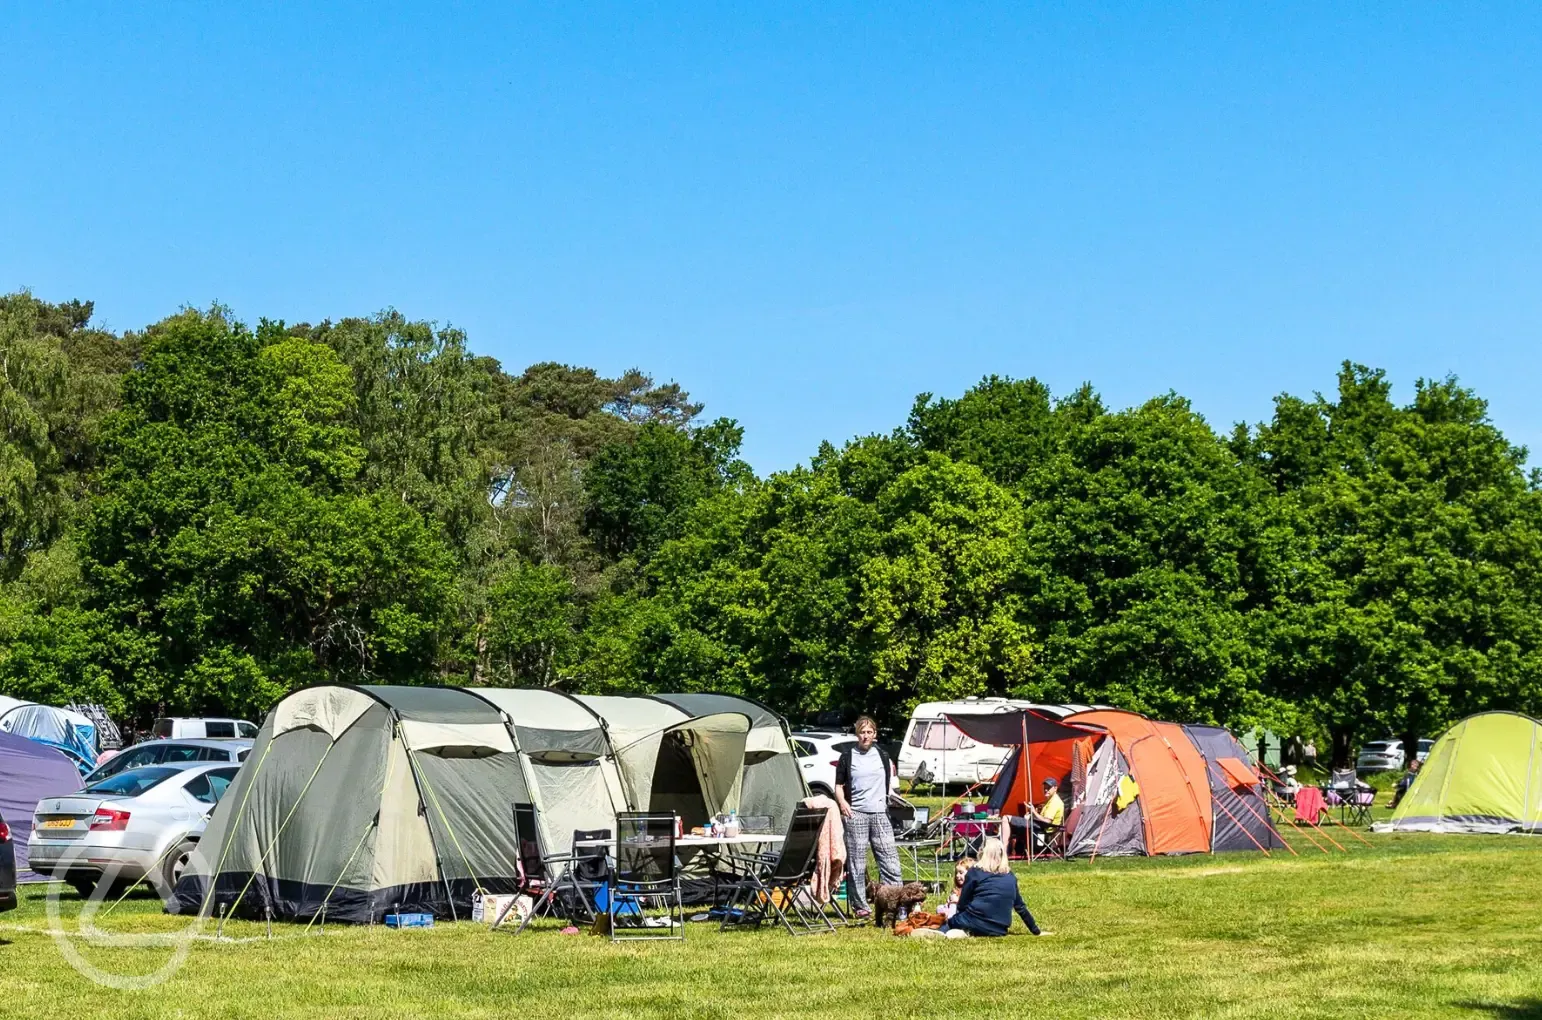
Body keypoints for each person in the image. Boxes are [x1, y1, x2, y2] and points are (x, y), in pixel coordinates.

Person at [834, 715, 904, 920]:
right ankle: (860, 906)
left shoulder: (882, 755)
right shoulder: (847, 757)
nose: (865, 736)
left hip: (880, 813)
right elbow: (838, 786)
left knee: (890, 860)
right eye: (862, 732)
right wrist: (843, 803)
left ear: (875, 734)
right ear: (857, 734)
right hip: (857, 814)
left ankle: (896, 902)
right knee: (857, 862)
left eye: (869, 732)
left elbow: (889, 785)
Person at [915, 837, 1046, 938]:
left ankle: (943, 932)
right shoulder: (1010, 877)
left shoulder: (975, 872)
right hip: (999, 929)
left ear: (982, 852)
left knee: (950, 922)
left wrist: (956, 918)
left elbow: (963, 903)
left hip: (972, 921)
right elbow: (1020, 907)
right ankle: (960, 932)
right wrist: (1036, 931)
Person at [1005, 777, 1066, 856]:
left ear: (1055, 788)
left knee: (1006, 818)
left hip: (1046, 828)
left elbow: (1047, 821)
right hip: (1040, 826)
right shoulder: (1049, 800)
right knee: (1014, 825)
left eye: (1048, 788)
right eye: (1045, 788)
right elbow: (1043, 818)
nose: (1046, 790)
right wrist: (1032, 815)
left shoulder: (1055, 802)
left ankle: (1005, 850)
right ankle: (1013, 850)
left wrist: (1033, 812)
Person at [937, 856, 975, 921]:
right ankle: (944, 919)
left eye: (961, 873)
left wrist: (957, 901)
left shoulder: (972, 890)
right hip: (953, 910)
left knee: (953, 906)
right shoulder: (958, 889)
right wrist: (949, 902)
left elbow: (971, 905)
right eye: (956, 873)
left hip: (963, 914)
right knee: (939, 907)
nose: (957, 875)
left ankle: (949, 921)